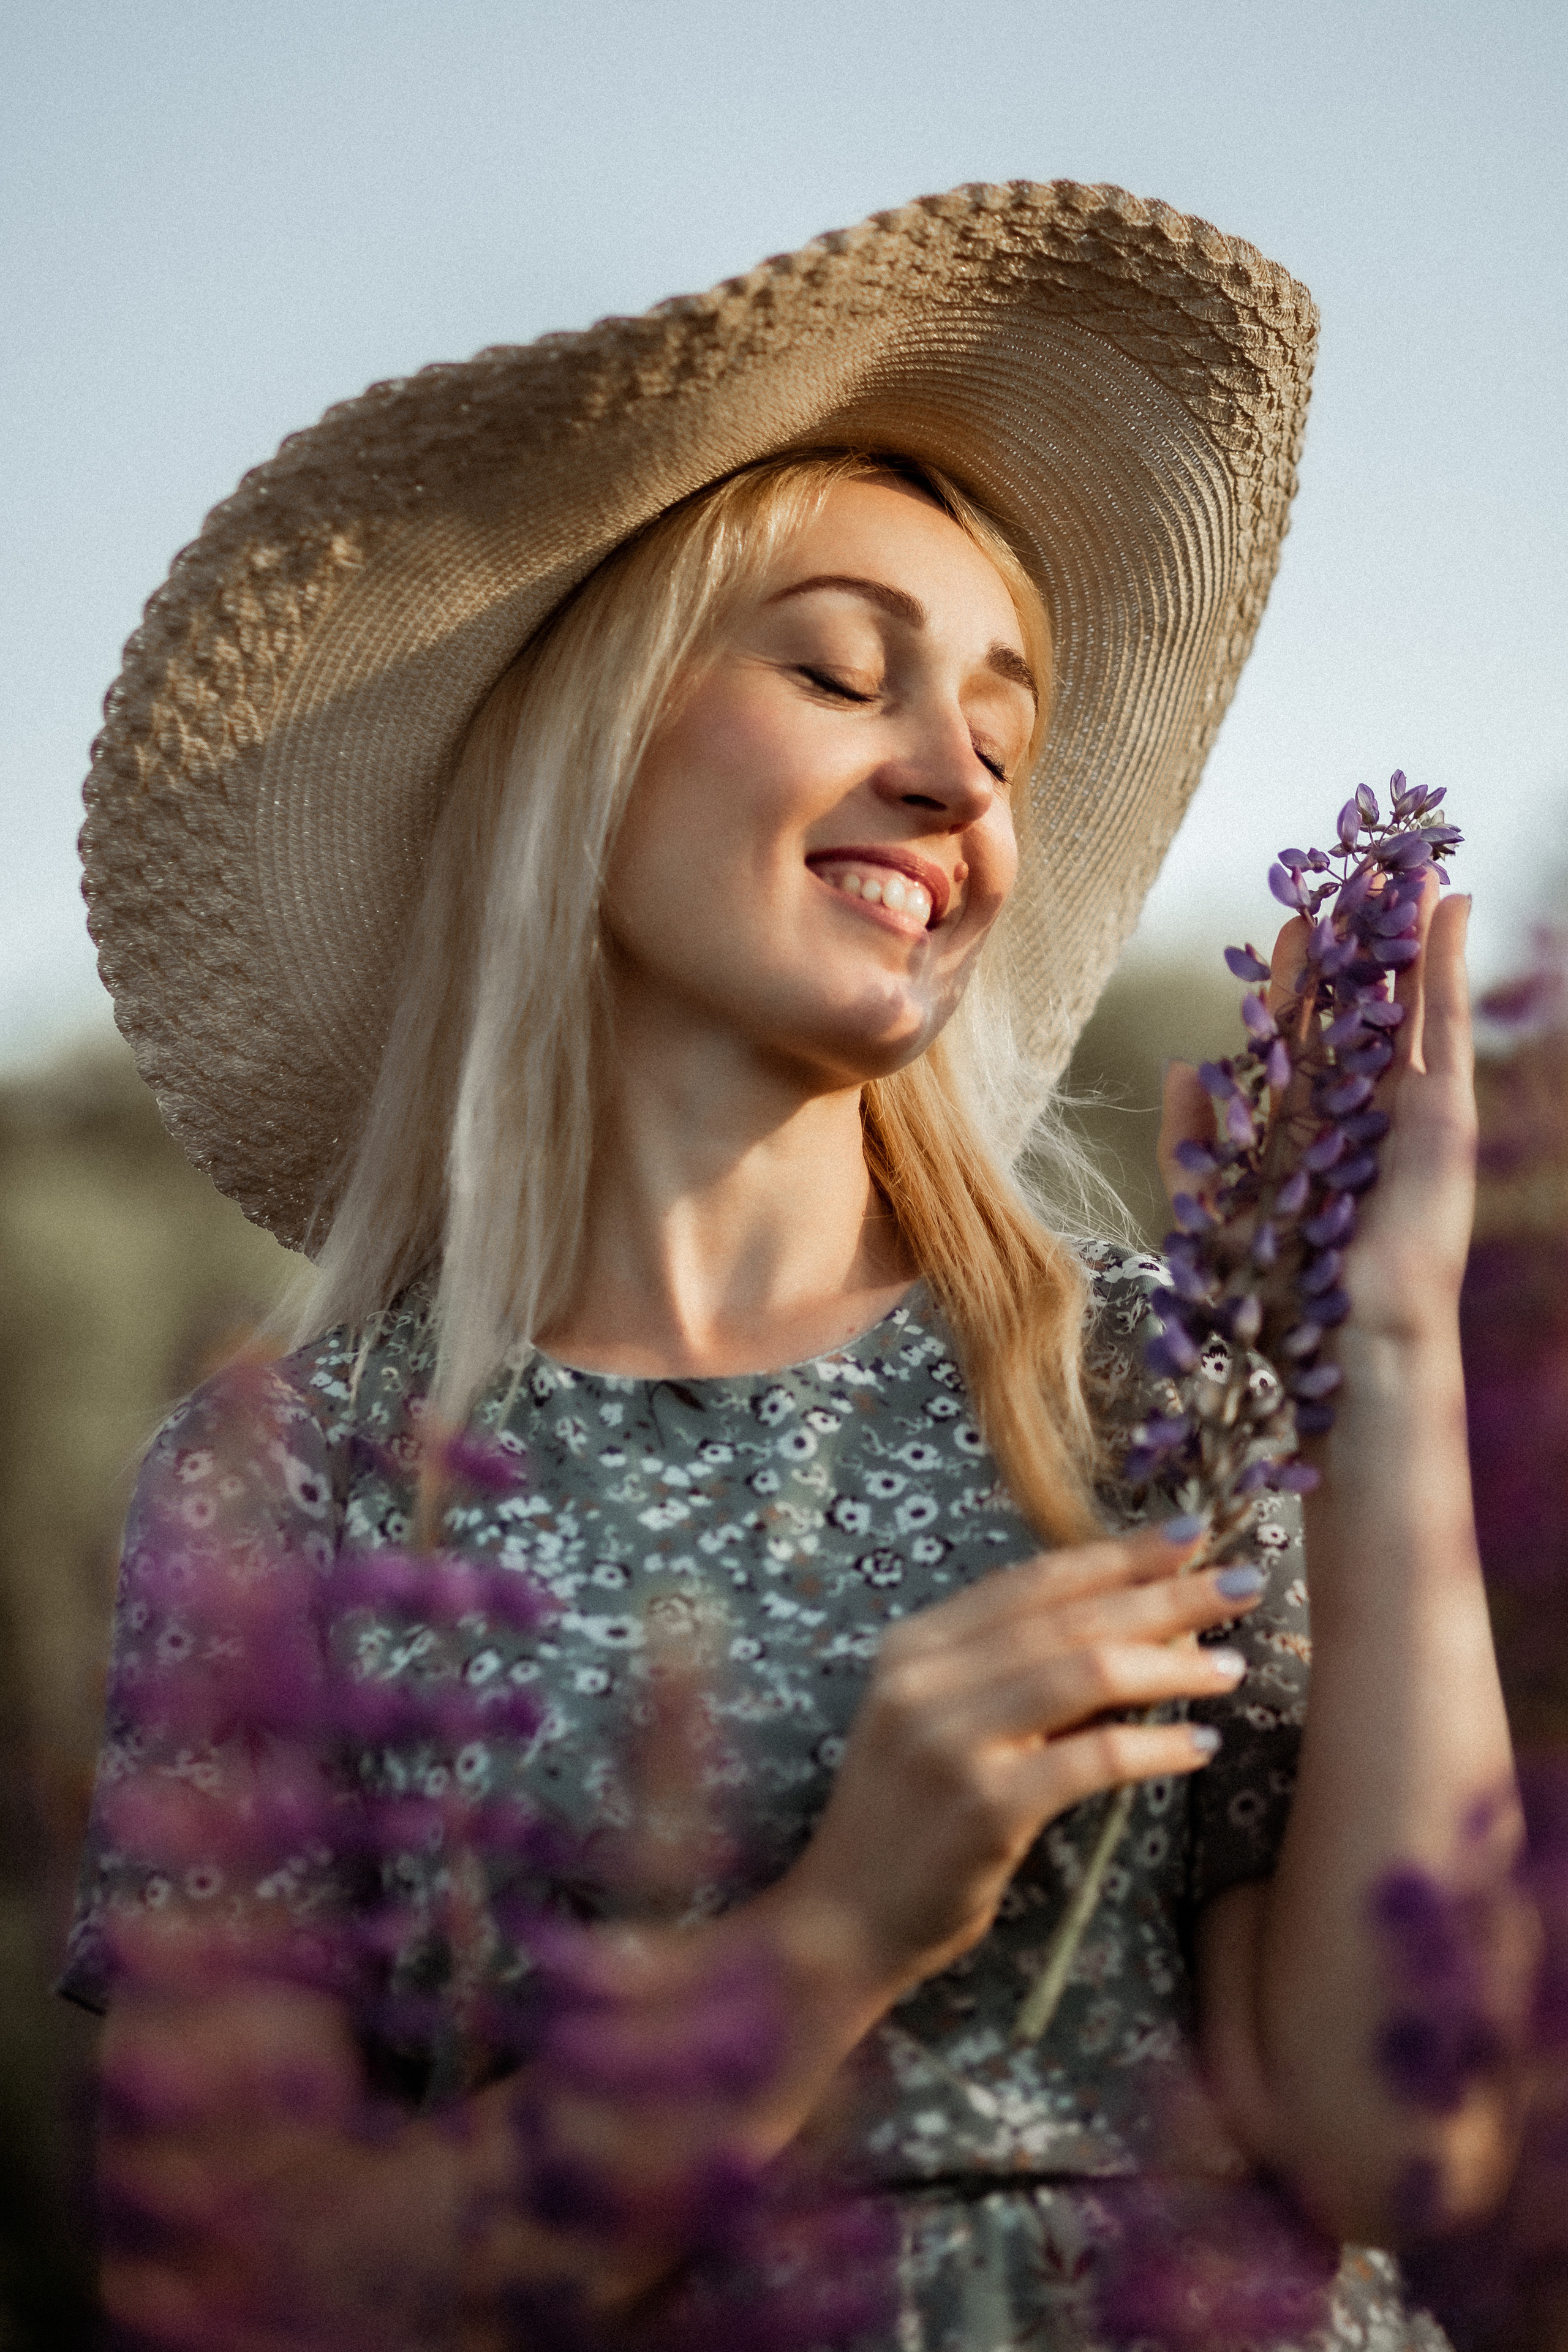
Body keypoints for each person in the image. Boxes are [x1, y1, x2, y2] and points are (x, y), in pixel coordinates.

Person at [63, 183, 1528, 2350]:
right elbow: (250, 2287)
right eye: (844, 673)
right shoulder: (299, 1484)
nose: (955, 780)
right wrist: (839, 1926)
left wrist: (1386, 1357)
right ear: (587, 751)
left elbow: (1411, 2145)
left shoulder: (1156, 1384)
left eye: (1006, 742)